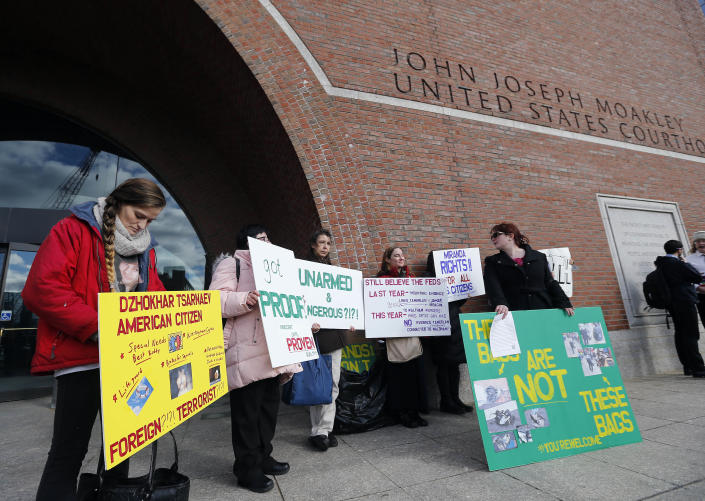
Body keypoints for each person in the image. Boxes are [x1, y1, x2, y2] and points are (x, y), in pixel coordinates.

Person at [22, 178, 167, 501]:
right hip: (82, 360)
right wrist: (98, 327)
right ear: (118, 203)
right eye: (138, 215)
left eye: (150, 220)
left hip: (129, 362)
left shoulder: (146, 249)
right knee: (68, 451)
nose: (142, 225)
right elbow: (42, 288)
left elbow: (154, 297)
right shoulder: (71, 230)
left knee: (122, 448)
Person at [209, 224, 302, 493]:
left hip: (275, 349)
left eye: (267, 238)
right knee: (246, 415)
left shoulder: (279, 267)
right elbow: (216, 299)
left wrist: (306, 323)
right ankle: (247, 469)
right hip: (247, 349)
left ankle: (264, 456)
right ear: (245, 243)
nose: (266, 242)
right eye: (259, 239)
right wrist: (246, 299)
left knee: (267, 412)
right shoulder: (232, 264)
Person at [305, 229, 355, 451]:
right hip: (316, 336)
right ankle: (319, 430)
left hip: (334, 336)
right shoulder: (304, 270)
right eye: (321, 243)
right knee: (318, 385)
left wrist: (350, 317)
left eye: (328, 243)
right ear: (313, 245)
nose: (325, 246)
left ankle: (324, 429)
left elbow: (342, 301)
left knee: (332, 384)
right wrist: (309, 321)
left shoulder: (334, 272)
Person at [377, 246, 428, 428]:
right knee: (400, 377)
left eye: (402, 255)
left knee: (414, 375)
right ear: (387, 260)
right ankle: (403, 413)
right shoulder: (382, 281)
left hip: (411, 333)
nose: (401, 258)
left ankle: (414, 411)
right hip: (394, 336)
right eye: (396, 255)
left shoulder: (411, 279)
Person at [483, 222, 574, 318]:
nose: (493, 239)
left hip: (542, 309)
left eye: (496, 235)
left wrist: (564, 302)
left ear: (510, 236)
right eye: (491, 237)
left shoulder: (539, 257)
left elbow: (550, 282)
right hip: (513, 313)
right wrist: (500, 302)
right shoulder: (492, 262)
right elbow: (492, 285)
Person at [424, 252, 473, 414]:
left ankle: (455, 398)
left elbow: (458, 302)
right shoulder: (427, 278)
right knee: (444, 365)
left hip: (455, 324)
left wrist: (464, 294)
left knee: (455, 365)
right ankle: (446, 401)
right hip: (440, 326)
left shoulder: (452, 276)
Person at [655, 240, 705, 378]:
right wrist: (685, 262)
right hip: (685, 301)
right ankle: (699, 368)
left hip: (672, 303)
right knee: (691, 334)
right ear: (679, 250)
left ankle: (687, 366)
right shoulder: (677, 263)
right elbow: (696, 277)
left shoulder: (660, 264)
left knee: (680, 333)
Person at [686, 231, 705, 328]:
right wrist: (698, 288)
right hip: (702, 296)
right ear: (695, 244)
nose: (701, 243)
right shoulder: (688, 259)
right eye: (698, 241)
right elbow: (685, 278)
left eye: (703, 240)